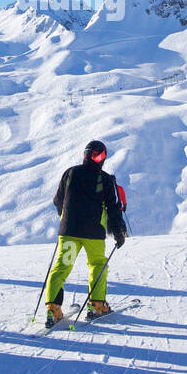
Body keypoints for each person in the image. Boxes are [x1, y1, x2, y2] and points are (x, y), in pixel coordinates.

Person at [43, 140, 127, 327]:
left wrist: (65, 218)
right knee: (97, 264)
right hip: (93, 232)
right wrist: (119, 232)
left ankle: (53, 309)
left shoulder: (70, 173)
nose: (100, 159)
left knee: (62, 266)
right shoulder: (104, 178)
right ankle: (96, 305)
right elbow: (113, 209)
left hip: (69, 231)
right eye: (100, 156)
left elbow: (58, 200)